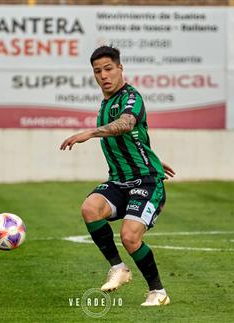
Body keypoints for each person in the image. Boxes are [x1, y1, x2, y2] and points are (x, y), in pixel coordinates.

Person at [60, 45, 175, 306]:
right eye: (98, 71)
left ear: (120, 68)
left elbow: (126, 124)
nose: (103, 75)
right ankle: (118, 268)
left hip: (146, 182)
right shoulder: (105, 103)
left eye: (109, 69)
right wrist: (152, 157)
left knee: (130, 237)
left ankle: (158, 292)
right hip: (119, 180)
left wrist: (90, 133)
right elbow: (135, 138)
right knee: (90, 208)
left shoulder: (131, 97)